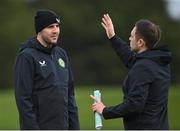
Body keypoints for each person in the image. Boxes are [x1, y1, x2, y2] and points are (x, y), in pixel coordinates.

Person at [91, 14, 172, 130]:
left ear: (140, 43)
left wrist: (105, 111)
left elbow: (134, 105)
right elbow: (132, 60)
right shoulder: (158, 62)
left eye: (132, 36)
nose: (129, 38)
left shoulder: (143, 67)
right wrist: (112, 37)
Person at [13, 9, 80, 130]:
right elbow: (23, 100)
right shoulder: (26, 57)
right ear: (39, 30)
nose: (55, 31)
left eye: (57, 26)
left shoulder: (61, 54)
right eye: (50, 27)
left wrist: (75, 127)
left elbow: (70, 95)